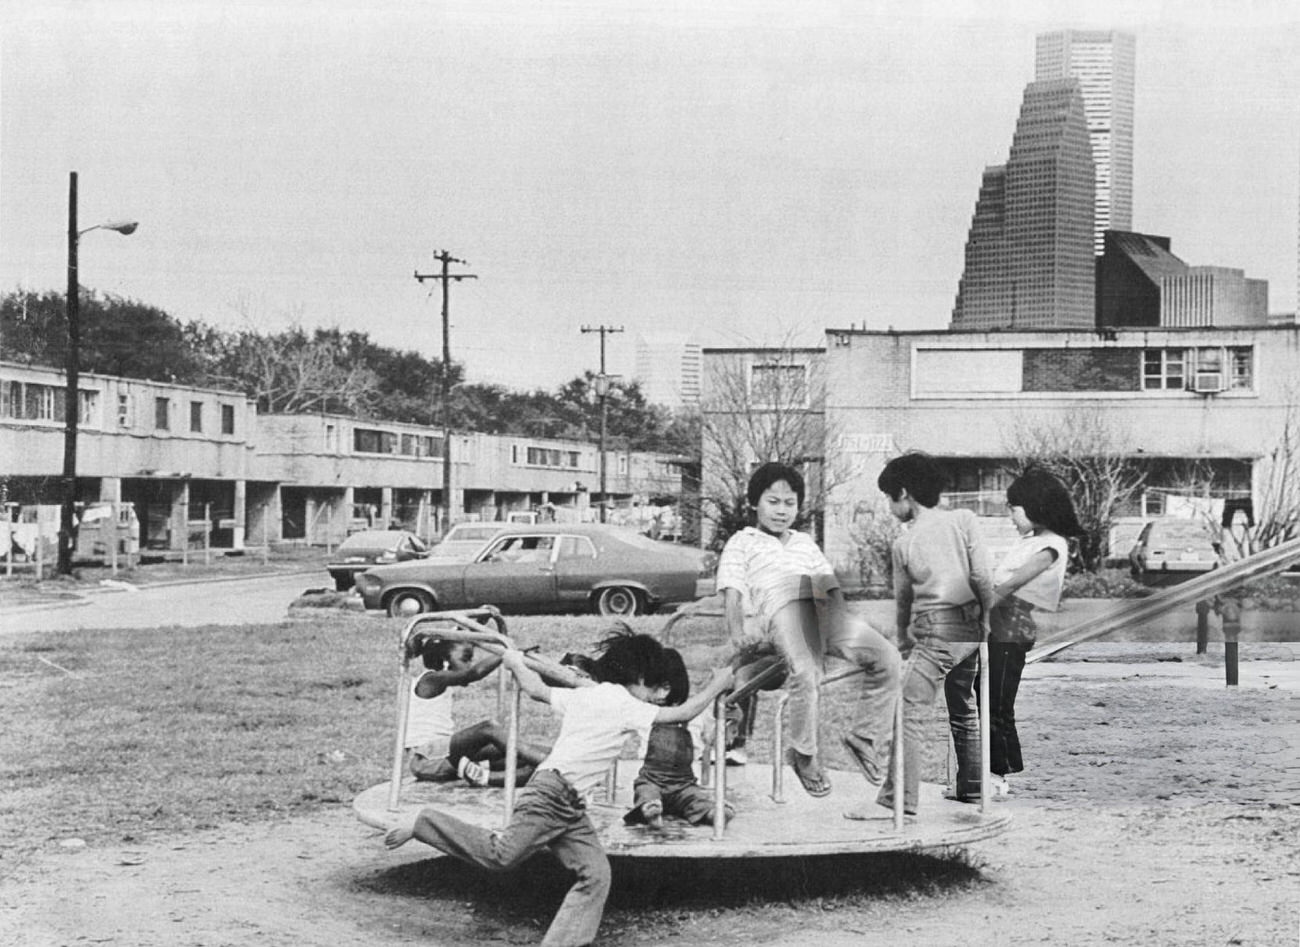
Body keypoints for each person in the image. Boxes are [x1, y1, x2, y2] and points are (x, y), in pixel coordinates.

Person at [385, 629, 735, 947]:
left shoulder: (590, 695)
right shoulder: (626, 705)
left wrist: (515, 662)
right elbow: (682, 713)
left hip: (570, 804)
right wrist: (718, 684)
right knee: (501, 856)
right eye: (654, 687)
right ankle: (425, 823)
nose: (656, 696)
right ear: (640, 679)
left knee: (595, 875)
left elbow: (536, 690)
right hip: (551, 796)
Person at [716, 462, 901, 798]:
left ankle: (864, 735)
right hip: (782, 613)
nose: (781, 511)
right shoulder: (743, 542)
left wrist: (846, 627)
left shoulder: (804, 543)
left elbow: (831, 589)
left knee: (888, 657)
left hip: (823, 615)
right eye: (773, 502)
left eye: (789, 503)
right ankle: (803, 753)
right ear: (754, 503)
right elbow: (733, 592)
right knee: (805, 668)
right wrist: (737, 632)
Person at [854, 452, 994, 819]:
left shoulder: (905, 543)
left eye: (889, 499)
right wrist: (987, 618)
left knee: (908, 711)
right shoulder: (964, 520)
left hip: (937, 630)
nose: (890, 508)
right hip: (970, 631)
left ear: (904, 493)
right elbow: (981, 575)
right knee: (964, 704)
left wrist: (903, 639)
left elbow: (903, 601)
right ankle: (974, 786)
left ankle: (897, 801)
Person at [987, 467, 1083, 794]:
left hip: (1012, 628)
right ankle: (990, 768)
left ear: (1034, 506)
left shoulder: (1051, 545)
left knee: (997, 702)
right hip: (999, 624)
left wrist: (978, 605)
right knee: (985, 696)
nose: (1011, 517)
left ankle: (998, 775)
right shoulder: (1029, 541)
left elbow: (1011, 584)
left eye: (1014, 509)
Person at [405, 634, 549, 788]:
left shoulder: (438, 680)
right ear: (445, 659)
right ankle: (550, 763)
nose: (469, 664)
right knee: (488, 729)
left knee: (526, 755)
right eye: (465, 659)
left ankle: (486, 777)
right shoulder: (430, 680)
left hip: (446, 756)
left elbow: (460, 632)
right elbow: (473, 674)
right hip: (426, 760)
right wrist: (507, 653)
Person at [623, 648, 733, 828]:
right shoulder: (646, 711)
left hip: (684, 784)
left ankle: (711, 813)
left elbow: (712, 735)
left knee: (695, 797)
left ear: (678, 685)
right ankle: (650, 811)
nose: (660, 695)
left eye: (665, 688)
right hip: (652, 780)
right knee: (644, 791)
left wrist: (727, 723)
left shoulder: (696, 712)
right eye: (654, 687)